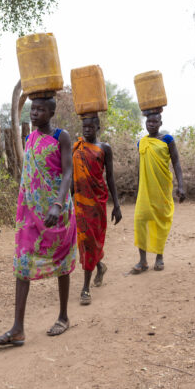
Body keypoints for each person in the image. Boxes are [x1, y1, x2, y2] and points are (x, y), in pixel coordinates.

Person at [0, 93, 77, 346]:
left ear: (51, 113)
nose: (35, 113)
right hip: (31, 215)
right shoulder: (30, 138)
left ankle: (63, 316)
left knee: (62, 262)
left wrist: (57, 204)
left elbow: (68, 171)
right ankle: (17, 328)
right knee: (22, 264)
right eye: (33, 108)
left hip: (56, 212)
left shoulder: (61, 137)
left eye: (40, 109)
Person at [71, 114, 122, 305]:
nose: (87, 129)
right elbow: (72, 177)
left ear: (98, 127)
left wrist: (116, 205)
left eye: (91, 126)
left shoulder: (104, 148)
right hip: (80, 202)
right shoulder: (76, 148)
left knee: (91, 241)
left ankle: (86, 286)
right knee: (85, 242)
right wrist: (66, 201)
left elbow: (110, 178)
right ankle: (96, 271)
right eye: (84, 126)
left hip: (97, 203)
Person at [129, 110, 185, 274]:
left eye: (154, 122)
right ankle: (143, 260)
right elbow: (141, 167)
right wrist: (138, 188)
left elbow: (176, 163)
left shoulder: (167, 140)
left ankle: (159, 257)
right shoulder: (142, 142)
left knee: (160, 220)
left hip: (162, 188)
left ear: (160, 123)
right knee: (140, 221)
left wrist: (181, 186)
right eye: (148, 122)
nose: (151, 124)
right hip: (145, 190)